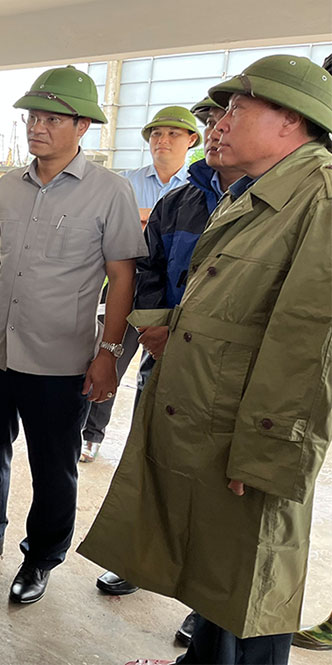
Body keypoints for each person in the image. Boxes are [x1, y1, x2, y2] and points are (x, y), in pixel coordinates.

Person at [79, 55, 332, 665]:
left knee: (252, 587)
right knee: (219, 577)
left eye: (236, 110)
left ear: (290, 121)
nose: (217, 124)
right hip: (216, 416)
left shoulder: (320, 195)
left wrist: (269, 449)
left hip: (253, 431)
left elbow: (310, 341)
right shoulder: (260, 190)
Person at [0, 66, 146, 607]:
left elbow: (122, 276)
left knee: (54, 466)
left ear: (82, 126)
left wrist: (109, 354)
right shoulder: (9, 184)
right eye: (32, 117)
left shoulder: (109, 191)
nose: (37, 128)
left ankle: (41, 557)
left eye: (52, 119)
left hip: (62, 357)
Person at [95, 97, 243, 649]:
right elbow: (149, 268)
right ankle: (140, 563)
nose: (214, 130)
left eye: (220, 120)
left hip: (223, 377)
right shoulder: (180, 202)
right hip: (163, 358)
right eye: (208, 122)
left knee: (210, 491)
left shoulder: (269, 204)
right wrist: (155, 325)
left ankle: (203, 606)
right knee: (151, 462)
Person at [80, 105, 202, 463]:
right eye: (157, 135)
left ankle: (142, 444)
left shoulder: (196, 188)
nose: (162, 141)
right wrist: (145, 219)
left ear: (191, 139)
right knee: (109, 357)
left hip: (168, 291)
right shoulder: (126, 181)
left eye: (173, 134)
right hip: (121, 284)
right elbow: (104, 226)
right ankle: (91, 434)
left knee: (158, 369)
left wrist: (140, 218)